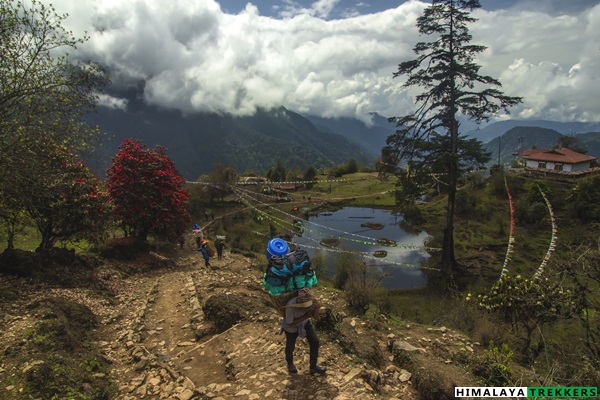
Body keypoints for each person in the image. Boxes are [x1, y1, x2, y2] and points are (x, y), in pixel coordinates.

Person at [281, 288, 326, 375]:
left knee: (315, 341)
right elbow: (289, 323)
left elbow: (316, 317)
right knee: (290, 346)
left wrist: (316, 307)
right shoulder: (290, 306)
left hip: (305, 323)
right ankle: (290, 363)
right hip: (292, 328)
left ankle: (313, 367)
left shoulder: (311, 301)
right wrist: (306, 316)